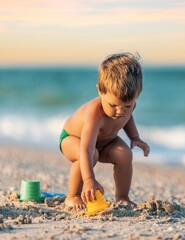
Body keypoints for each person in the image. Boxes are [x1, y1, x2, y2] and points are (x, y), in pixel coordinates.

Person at [59, 53, 149, 210]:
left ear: (137, 96)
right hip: (73, 139)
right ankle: (72, 196)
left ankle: (122, 196)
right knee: (90, 155)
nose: (121, 111)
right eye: (113, 105)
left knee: (125, 153)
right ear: (100, 91)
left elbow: (128, 118)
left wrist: (135, 137)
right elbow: (86, 149)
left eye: (127, 106)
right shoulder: (94, 114)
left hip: (105, 142)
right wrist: (89, 179)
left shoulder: (129, 105)